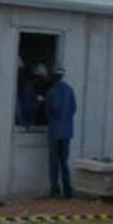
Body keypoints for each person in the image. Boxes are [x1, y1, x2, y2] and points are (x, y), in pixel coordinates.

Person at [46, 66, 77, 198]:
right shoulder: (69, 90)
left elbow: (47, 112)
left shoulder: (51, 92)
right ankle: (67, 190)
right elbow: (74, 109)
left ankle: (55, 189)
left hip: (54, 131)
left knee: (54, 162)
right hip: (66, 132)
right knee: (64, 162)